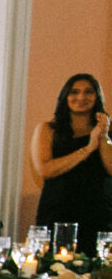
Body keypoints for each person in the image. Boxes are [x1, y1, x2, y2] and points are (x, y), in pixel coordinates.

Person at [31, 73, 112, 254]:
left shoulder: (107, 130)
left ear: (97, 97)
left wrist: (103, 136)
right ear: (65, 96)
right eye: (74, 92)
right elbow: (45, 169)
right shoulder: (47, 129)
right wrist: (88, 149)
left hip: (98, 213)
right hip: (58, 211)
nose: (81, 97)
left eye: (88, 92)